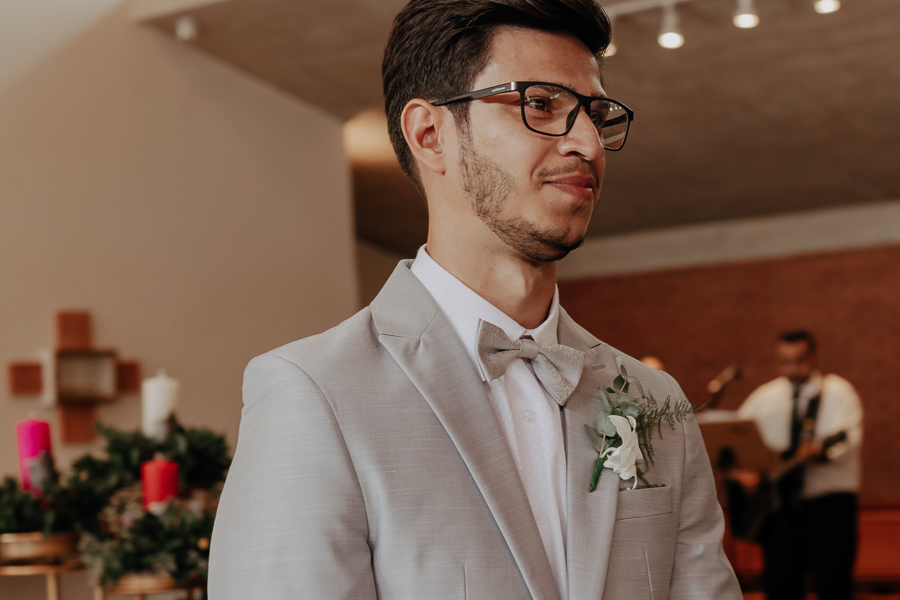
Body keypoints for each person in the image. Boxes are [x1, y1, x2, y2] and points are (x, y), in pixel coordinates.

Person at [208, 1, 741, 598]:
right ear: (430, 134)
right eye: (541, 104)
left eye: (595, 113)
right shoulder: (315, 393)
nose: (588, 143)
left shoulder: (654, 401)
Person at [737, 330, 863, 600]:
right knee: (780, 584)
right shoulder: (765, 397)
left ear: (814, 357)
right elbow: (735, 439)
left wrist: (819, 453)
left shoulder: (838, 392)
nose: (793, 368)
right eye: (784, 361)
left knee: (833, 584)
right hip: (780, 509)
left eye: (799, 360)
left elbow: (844, 441)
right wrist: (742, 472)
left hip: (829, 506)